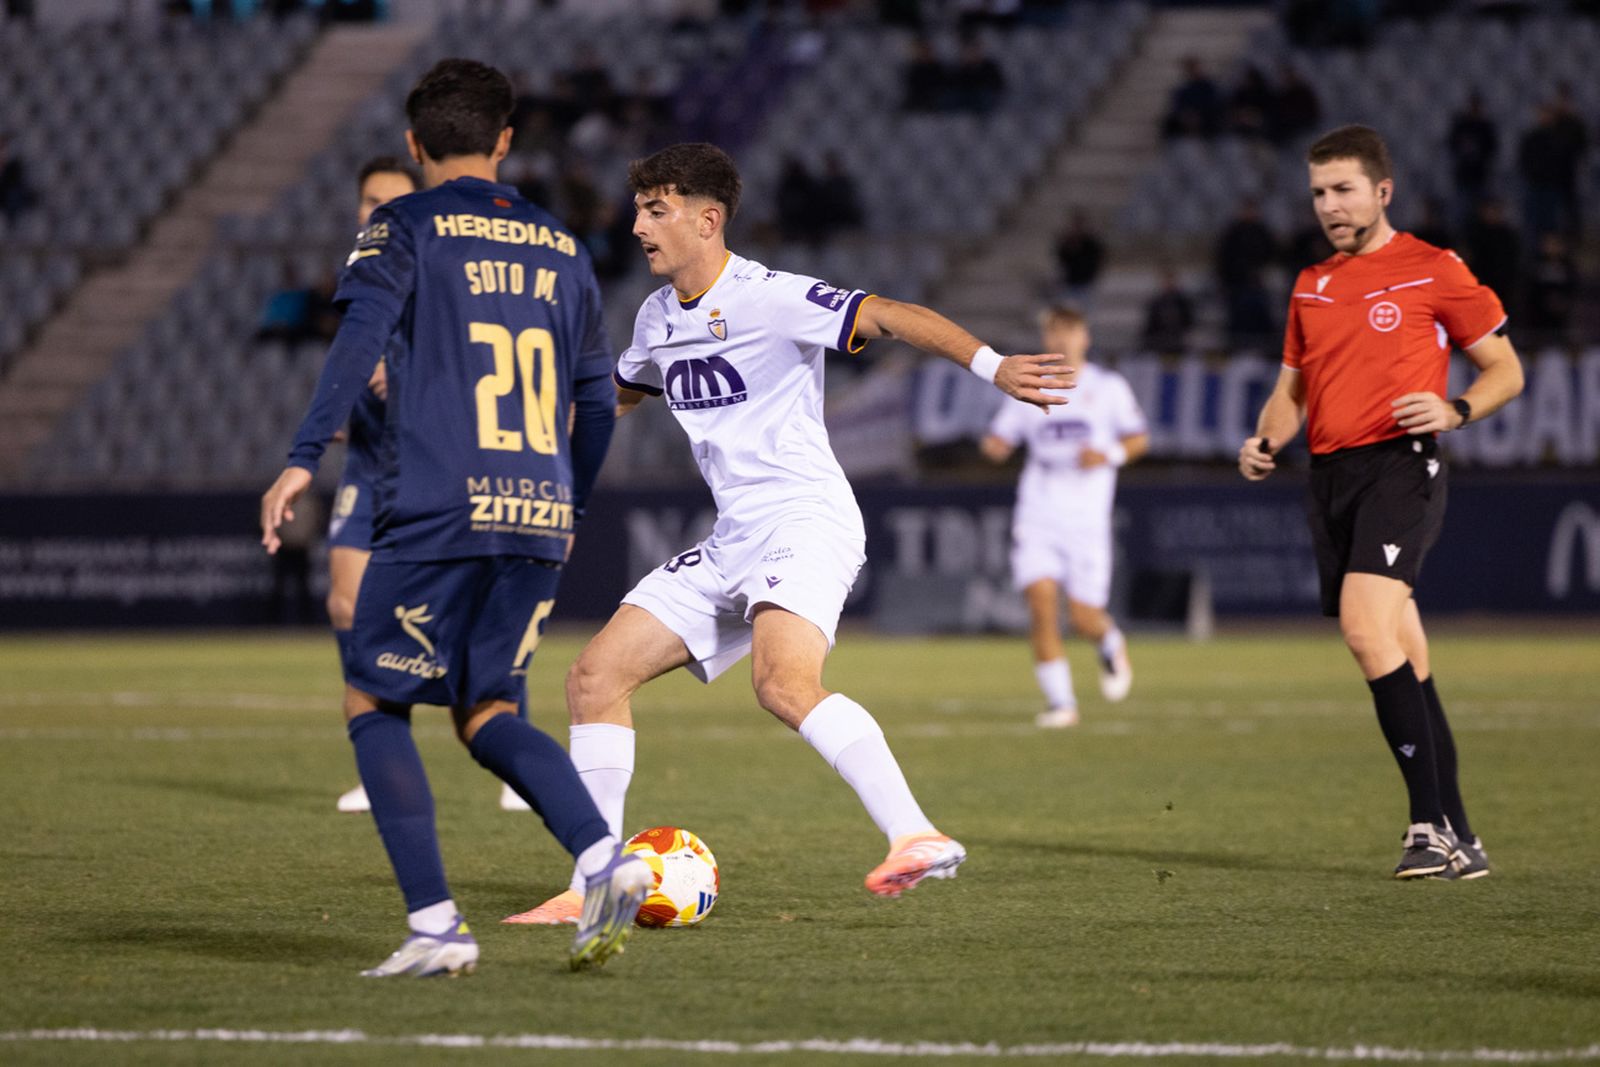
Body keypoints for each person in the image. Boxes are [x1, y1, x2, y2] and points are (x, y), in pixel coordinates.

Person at [506, 142, 1071, 924]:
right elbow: (622, 392)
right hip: (734, 534)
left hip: (805, 516)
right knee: (594, 678)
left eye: (656, 210)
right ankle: (594, 883)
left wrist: (994, 365)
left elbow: (891, 315)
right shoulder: (657, 316)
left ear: (708, 221)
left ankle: (917, 833)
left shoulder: (770, 297)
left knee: (782, 682)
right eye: (638, 209)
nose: (637, 225)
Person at [259, 58, 651, 975]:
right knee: (486, 708)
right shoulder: (563, 246)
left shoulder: (402, 226)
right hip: (536, 506)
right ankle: (604, 856)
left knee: (373, 697)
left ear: (414, 144)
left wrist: (303, 454)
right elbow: (597, 401)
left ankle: (436, 925)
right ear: (505, 140)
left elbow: (357, 341)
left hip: (438, 501)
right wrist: (571, 500)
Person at [1238, 125, 1524, 881]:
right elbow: (1291, 391)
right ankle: (1464, 835)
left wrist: (1456, 410)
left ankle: (1428, 828)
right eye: (1318, 193)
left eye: (1343, 190)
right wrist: (1265, 439)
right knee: (1407, 658)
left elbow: (1505, 369)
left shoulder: (1434, 269)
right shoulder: (1311, 283)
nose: (1329, 206)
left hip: (1401, 465)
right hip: (1330, 476)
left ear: (1382, 191)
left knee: (1365, 631)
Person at [327, 157, 533, 816]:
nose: (377, 211)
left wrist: (412, 381)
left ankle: (516, 755)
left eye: (391, 201)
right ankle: (381, 764)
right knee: (347, 605)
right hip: (371, 464)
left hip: (439, 467)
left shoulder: (447, 268)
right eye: (369, 200)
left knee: (477, 615)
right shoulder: (361, 269)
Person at [981, 305, 1147, 728]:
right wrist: (995, 446)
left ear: (1084, 337)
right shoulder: (1029, 387)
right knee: (1040, 607)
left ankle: (1108, 641)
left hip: (1087, 521)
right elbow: (1000, 436)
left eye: (1069, 331)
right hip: (1038, 514)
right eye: (1054, 332)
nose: (1061, 340)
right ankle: (1061, 703)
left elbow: (1138, 439)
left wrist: (1108, 454)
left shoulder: (1108, 387)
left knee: (1084, 618)